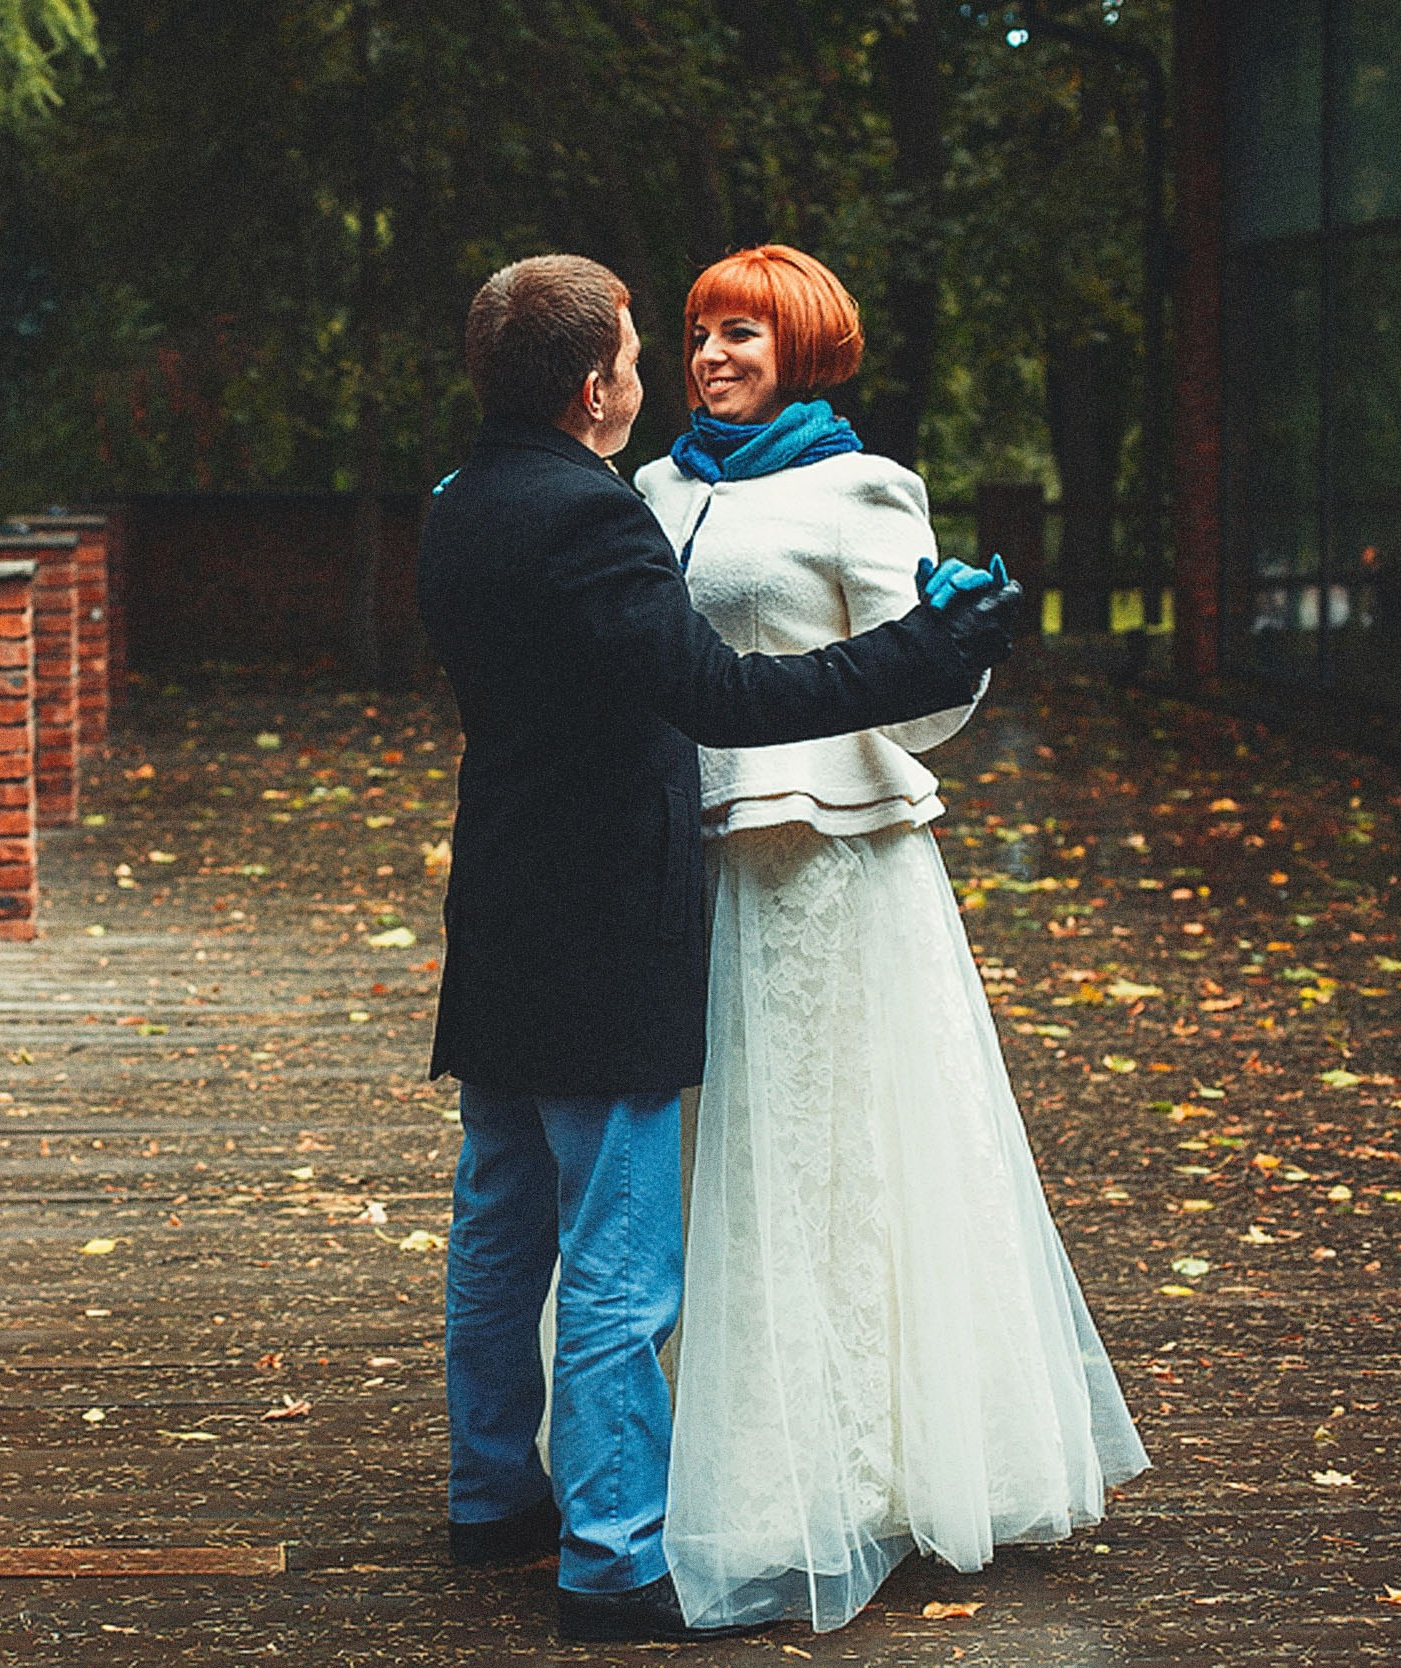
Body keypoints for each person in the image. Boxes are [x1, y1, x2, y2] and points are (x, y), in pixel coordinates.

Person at [418, 253, 1021, 1645]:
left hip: (503, 899)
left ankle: (487, 1493)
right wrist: (931, 647)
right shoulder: (605, 511)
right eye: (652, 348)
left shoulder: (459, 503)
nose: (674, 366)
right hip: (605, 914)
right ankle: (612, 1558)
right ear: (594, 387)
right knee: (621, 1253)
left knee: (499, 1220)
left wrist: (929, 659)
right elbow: (720, 697)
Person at [633, 244, 1149, 1633]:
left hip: (828, 864)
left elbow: (921, 705)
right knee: (701, 1148)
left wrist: (958, 641)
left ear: (801, 349)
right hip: (686, 859)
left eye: (741, 334)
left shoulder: (861, 488)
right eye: (698, 333)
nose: (711, 357)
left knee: (827, 1146)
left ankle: (859, 1467)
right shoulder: (653, 490)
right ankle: (699, 1448)